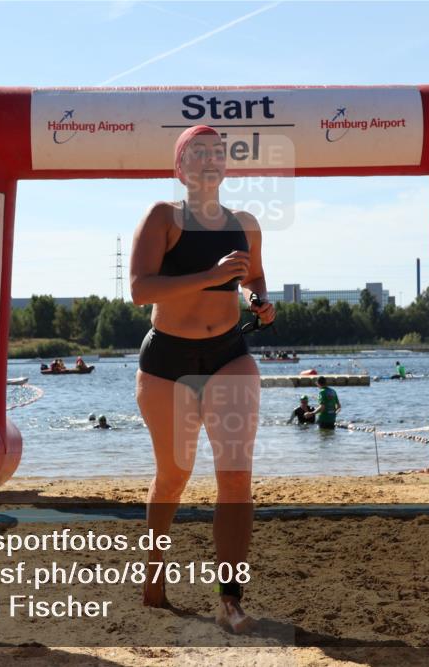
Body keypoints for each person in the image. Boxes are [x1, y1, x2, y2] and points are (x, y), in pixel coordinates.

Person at [130, 125, 274, 633]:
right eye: (198, 152)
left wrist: (259, 300)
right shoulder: (162, 217)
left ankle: (229, 598)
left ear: (227, 166)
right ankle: (154, 573)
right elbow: (140, 290)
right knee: (174, 476)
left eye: (218, 152)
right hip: (167, 360)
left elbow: (253, 276)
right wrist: (212, 277)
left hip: (229, 353)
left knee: (235, 476)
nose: (210, 159)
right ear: (180, 167)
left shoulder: (246, 223)